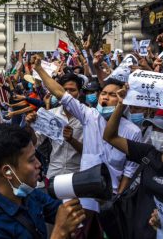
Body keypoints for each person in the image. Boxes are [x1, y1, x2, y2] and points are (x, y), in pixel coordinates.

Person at [32, 56, 141, 237]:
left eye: (113, 95)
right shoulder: (89, 116)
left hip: (111, 200)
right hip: (86, 196)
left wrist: (117, 199)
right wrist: (39, 69)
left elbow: (129, 172)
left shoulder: (132, 131)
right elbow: (61, 94)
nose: (106, 98)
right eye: (104, 93)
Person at [102, 86, 163, 239]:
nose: (157, 133)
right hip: (137, 231)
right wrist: (121, 104)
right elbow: (110, 137)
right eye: (154, 128)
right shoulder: (149, 153)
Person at [0, 124, 86, 238]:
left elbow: (59, 211)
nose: (38, 164)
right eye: (31, 160)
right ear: (8, 172)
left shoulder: (29, 195)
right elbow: (61, 226)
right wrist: (60, 233)